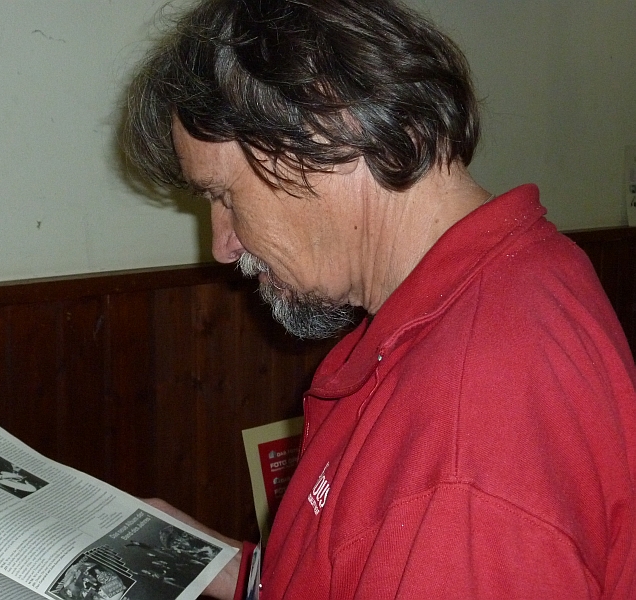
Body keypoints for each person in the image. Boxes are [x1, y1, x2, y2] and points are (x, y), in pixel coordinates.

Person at [123, 0, 636, 598]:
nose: (222, 245)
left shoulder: (463, 449)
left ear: (333, 128)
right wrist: (223, 566)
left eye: (224, 196)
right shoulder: (507, 279)